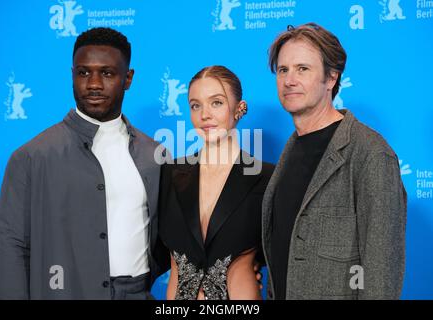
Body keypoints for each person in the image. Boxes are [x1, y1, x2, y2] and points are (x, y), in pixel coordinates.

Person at [0, 27, 168, 299]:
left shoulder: (155, 155)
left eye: (107, 73)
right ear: (72, 75)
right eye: (84, 72)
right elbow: (12, 247)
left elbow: (170, 238)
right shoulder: (32, 157)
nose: (94, 84)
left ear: (128, 79)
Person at [262, 23, 407, 300]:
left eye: (303, 69)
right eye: (283, 70)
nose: (289, 80)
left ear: (331, 78)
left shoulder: (371, 154)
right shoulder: (290, 151)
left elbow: (381, 277)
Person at [158, 65, 274, 300]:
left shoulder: (267, 177)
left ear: (239, 109)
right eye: (195, 105)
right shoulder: (168, 174)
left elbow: (280, 254)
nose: (204, 115)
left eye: (217, 102)